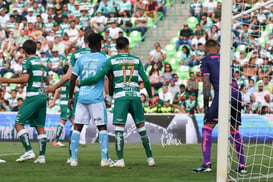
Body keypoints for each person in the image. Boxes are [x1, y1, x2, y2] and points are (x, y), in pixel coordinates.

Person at [78, 36, 156, 168]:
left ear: (116, 47)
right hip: (135, 96)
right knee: (141, 128)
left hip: (121, 97)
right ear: (128, 46)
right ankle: (150, 159)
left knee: (119, 129)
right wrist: (150, 96)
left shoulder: (112, 61)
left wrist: (82, 82)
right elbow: (146, 81)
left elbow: (97, 76)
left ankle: (120, 160)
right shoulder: (136, 60)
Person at [192, 40, 246, 173]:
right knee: (234, 130)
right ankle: (242, 166)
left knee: (207, 127)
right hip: (236, 94)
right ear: (217, 48)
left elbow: (206, 83)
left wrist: (205, 106)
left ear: (205, 49)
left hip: (223, 94)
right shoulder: (226, 59)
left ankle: (207, 164)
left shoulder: (205, 60)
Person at [0, 40, 49, 163]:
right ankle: (42, 157)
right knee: (40, 127)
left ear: (24, 51)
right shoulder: (41, 62)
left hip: (33, 96)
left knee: (18, 123)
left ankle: (29, 151)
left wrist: (5, 79)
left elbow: (25, 77)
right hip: (43, 96)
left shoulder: (27, 61)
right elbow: (46, 80)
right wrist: (23, 83)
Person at [68, 33, 112, 167]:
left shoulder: (81, 59)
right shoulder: (104, 58)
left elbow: (72, 79)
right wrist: (109, 96)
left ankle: (73, 159)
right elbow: (110, 77)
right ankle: (104, 159)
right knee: (102, 127)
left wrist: (70, 97)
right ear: (100, 43)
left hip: (81, 97)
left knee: (77, 127)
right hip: (96, 98)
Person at [51, 65, 74, 149]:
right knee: (63, 121)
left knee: (73, 121)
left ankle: (73, 141)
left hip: (66, 102)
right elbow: (74, 91)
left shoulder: (62, 79)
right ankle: (55, 140)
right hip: (66, 103)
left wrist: (53, 101)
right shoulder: (68, 79)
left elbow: (57, 89)